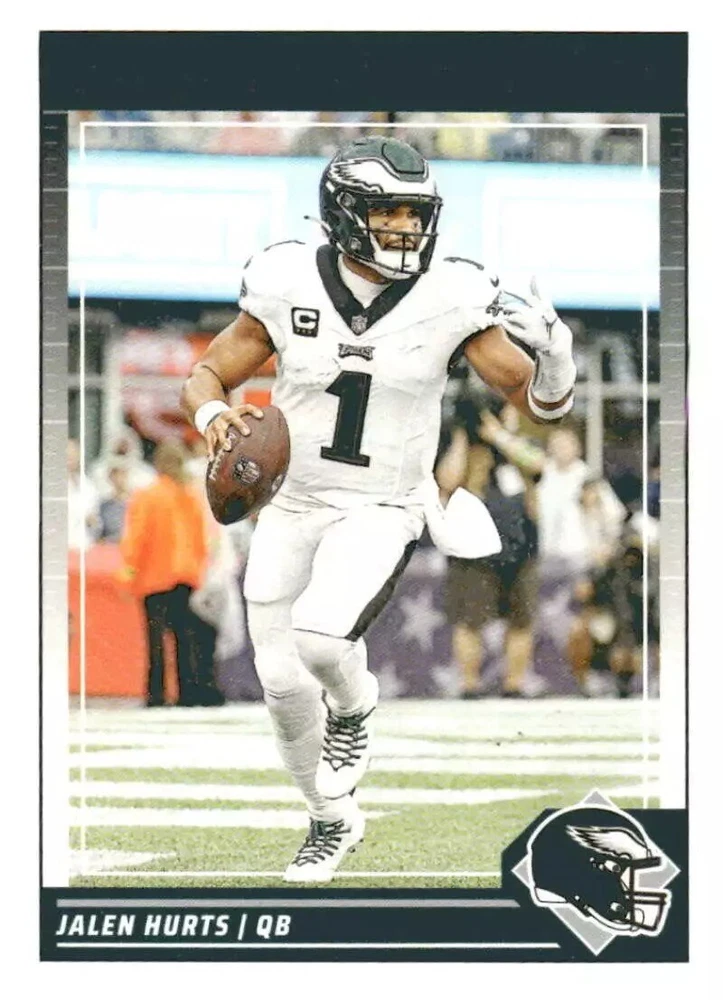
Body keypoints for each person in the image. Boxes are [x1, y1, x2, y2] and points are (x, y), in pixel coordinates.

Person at [180, 136, 577, 882]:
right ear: (343, 213)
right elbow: (207, 373)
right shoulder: (286, 279)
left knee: (321, 640)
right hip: (293, 500)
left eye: (414, 213)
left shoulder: (451, 294)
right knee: (280, 682)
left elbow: (539, 405)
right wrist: (212, 417)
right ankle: (330, 819)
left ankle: (355, 707)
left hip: (382, 502)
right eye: (387, 211)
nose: (404, 227)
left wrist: (556, 357)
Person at [437, 398, 544, 698]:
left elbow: (537, 463)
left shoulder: (522, 443)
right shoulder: (463, 447)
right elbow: (447, 480)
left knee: (521, 619)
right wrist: (462, 435)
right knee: (469, 619)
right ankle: (470, 685)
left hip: (522, 544)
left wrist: (499, 436)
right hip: (473, 548)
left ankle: (514, 685)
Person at [118, 439, 212, 707]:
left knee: (156, 639)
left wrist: (128, 571)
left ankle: (156, 694)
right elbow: (201, 539)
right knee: (183, 636)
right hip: (185, 575)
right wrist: (198, 570)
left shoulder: (148, 495)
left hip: (154, 576)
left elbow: (136, 537)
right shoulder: (190, 495)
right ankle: (187, 692)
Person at [67, 438, 100, 550]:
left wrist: (93, 521)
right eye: (67, 455)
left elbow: (96, 524)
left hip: (85, 548)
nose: (70, 458)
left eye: (74, 454)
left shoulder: (88, 486)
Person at [97, 463, 131, 542]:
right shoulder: (105, 505)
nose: (119, 479)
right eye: (115, 475)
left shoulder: (137, 502)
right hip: (110, 545)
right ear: (110, 478)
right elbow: (101, 532)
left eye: (122, 474)